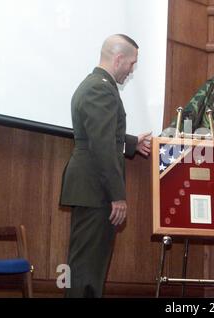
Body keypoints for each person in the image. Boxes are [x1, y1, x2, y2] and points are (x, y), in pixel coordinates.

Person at [60, 34, 152, 298]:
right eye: (132, 63)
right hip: (95, 189)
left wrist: (132, 143)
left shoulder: (94, 84)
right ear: (119, 58)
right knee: (86, 270)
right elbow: (101, 146)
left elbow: (100, 136)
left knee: (86, 266)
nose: (132, 70)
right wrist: (118, 196)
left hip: (89, 186)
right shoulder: (101, 88)